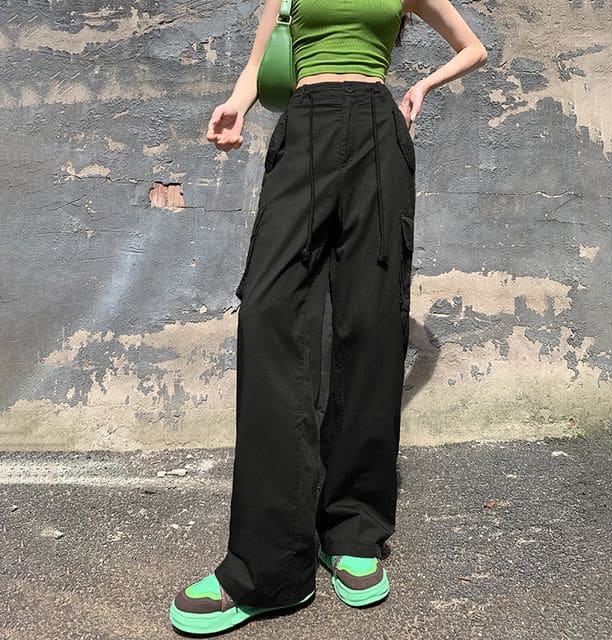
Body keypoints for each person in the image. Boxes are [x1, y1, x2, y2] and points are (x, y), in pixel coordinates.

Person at [169, 0, 487, 635]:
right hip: (304, 128)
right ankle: (267, 568)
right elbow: (260, 63)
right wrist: (237, 104)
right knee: (268, 315)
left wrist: (421, 86)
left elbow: (472, 47)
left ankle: (352, 529)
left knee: (371, 326)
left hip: (377, 132)